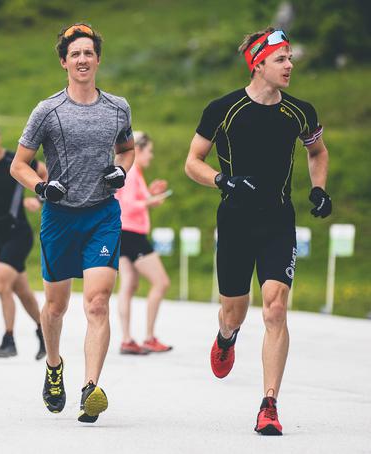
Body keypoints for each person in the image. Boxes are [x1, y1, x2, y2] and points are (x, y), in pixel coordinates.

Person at [184, 28, 331, 436]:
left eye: (289, 58)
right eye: (281, 59)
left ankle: (269, 404)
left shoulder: (301, 111)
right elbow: (192, 161)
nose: (290, 65)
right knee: (235, 310)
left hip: (278, 221)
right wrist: (221, 181)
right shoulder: (224, 109)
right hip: (234, 220)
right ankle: (226, 336)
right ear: (258, 64)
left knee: (275, 307)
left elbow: (316, 151)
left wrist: (318, 189)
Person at [11, 23, 135, 423]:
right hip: (60, 218)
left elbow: (128, 150)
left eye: (89, 53)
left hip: (102, 214)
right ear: (64, 62)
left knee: (97, 301)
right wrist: (43, 188)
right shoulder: (47, 111)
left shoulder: (118, 107)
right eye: (75, 54)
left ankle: (91, 387)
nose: (83, 59)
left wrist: (122, 171)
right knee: (55, 306)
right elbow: (19, 165)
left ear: (98, 59)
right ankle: (53, 365)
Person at [0, 123, 47, 360]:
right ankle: (44, 332)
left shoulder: (15, 163)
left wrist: (40, 198)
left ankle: (9, 339)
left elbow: (44, 174)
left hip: (18, 232)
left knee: (2, 284)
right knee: (21, 290)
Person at [114, 131, 172, 355]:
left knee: (128, 285)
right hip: (132, 233)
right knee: (161, 282)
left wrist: (150, 195)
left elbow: (129, 200)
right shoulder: (131, 172)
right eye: (150, 151)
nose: (152, 156)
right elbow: (129, 205)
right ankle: (149, 337)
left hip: (123, 232)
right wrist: (150, 200)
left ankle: (127, 339)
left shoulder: (130, 172)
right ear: (137, 150)